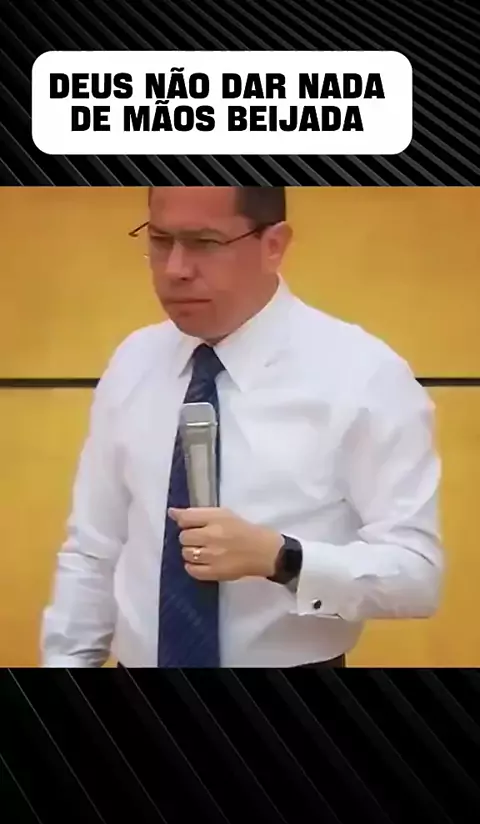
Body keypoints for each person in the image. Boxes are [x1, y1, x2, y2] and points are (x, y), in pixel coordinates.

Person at [41, 186, 444, 668]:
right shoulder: (134, 361)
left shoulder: (364, 377)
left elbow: (418, 576)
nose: (175, 269)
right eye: (161, 240)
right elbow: (94, 548)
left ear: (274, 245)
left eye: (205, 243)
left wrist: (282, 558)